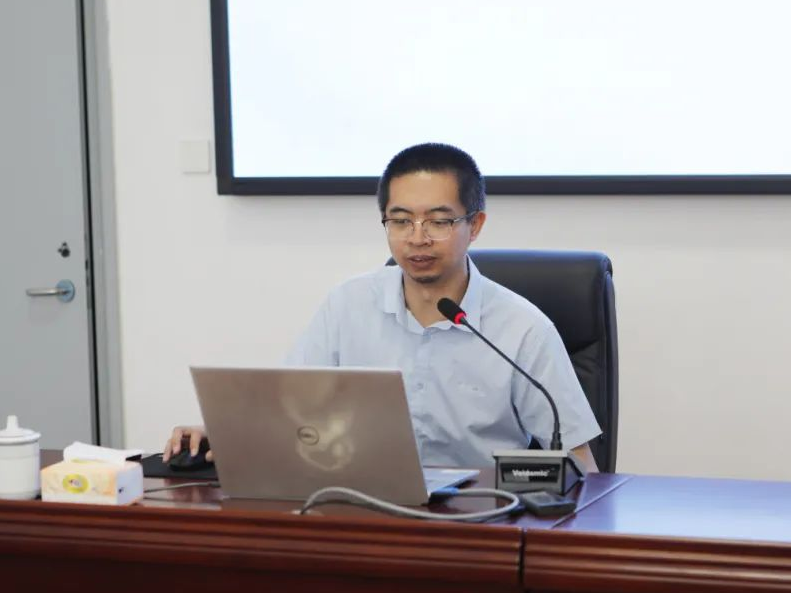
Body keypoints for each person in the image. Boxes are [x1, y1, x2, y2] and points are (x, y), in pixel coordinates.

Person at [164, 143, 601, 472]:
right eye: (401, 220)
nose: (417, 237)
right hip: (365, 509)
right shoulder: (347, 306)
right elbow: (289, 410)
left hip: (483, 522)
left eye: (439, 221)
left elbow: (579, 463)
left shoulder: (522, 328)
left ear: (475, 225)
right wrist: (221, 433)